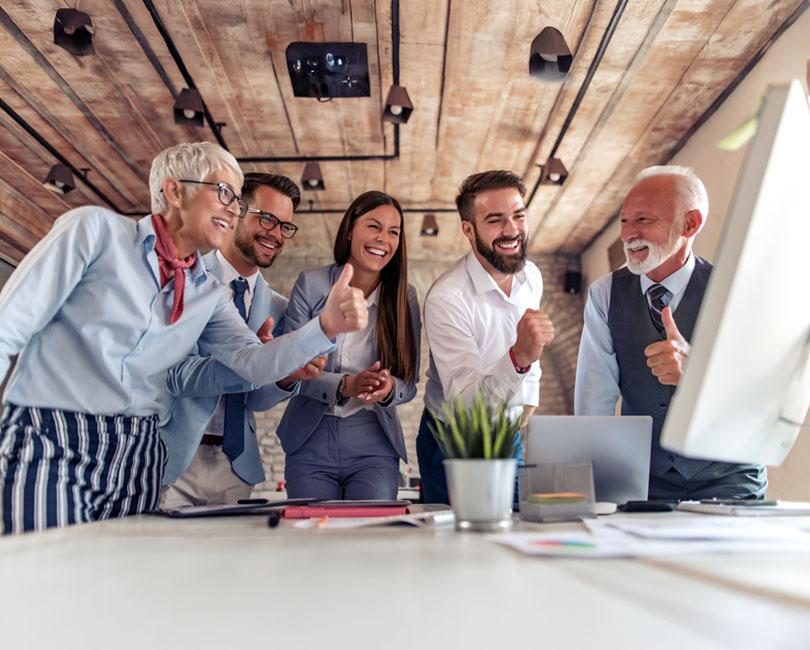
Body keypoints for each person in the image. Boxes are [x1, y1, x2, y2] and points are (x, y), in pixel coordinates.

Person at [0, 142, 367, 534]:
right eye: (224, 192)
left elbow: (251, 362)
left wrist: (325, 328)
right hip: (53, 432)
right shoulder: (94, 231)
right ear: (174, 192)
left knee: (121, 582)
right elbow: (9, 327)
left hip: (138, 449)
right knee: (41, 573)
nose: (233, 207)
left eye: (237, 200)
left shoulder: (207, 293)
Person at [574, 165, 766, 500]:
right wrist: (596, 488)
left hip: (731, 479)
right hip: (643, 480)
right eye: (624, 220)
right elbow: (595, 401)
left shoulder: (738, 290)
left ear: (690, 224)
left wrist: (696, 374)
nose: (628, 234)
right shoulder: (604, 294)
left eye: (643, 220)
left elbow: (765, 395)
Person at [160, 173, 327, 508]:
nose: (276, 234)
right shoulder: (185, 280)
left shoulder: (280, 308)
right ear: (235, 211)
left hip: (236, 466)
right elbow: (174, 375)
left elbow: (258, 401)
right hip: (173, 460)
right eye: (266, 218)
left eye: (285, 226)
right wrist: (253, 361)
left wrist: (286, 374)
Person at [417, 170, 555, 504]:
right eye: (495, 220)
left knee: (518, 530)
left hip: (508, 434)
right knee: (457, 547)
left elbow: (532, 353)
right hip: (453, 439)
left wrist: (528, 399)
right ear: (468, 229)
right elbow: (465, 405)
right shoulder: (447, 298)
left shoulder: (531, 276)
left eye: (518, 216)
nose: (512, 230)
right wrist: (519, 359)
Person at [275, 191, 421, 500]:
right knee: (313, 537)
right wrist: (346, 385)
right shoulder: (311, 284)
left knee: (370, 538)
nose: (383, 238)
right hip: (309, 438)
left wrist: (387, 388)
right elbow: (290, 367)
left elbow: (409, 383)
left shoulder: (404, 298)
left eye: (393, 232)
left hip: (375, 443)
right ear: (350, 229)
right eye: (373, 226)